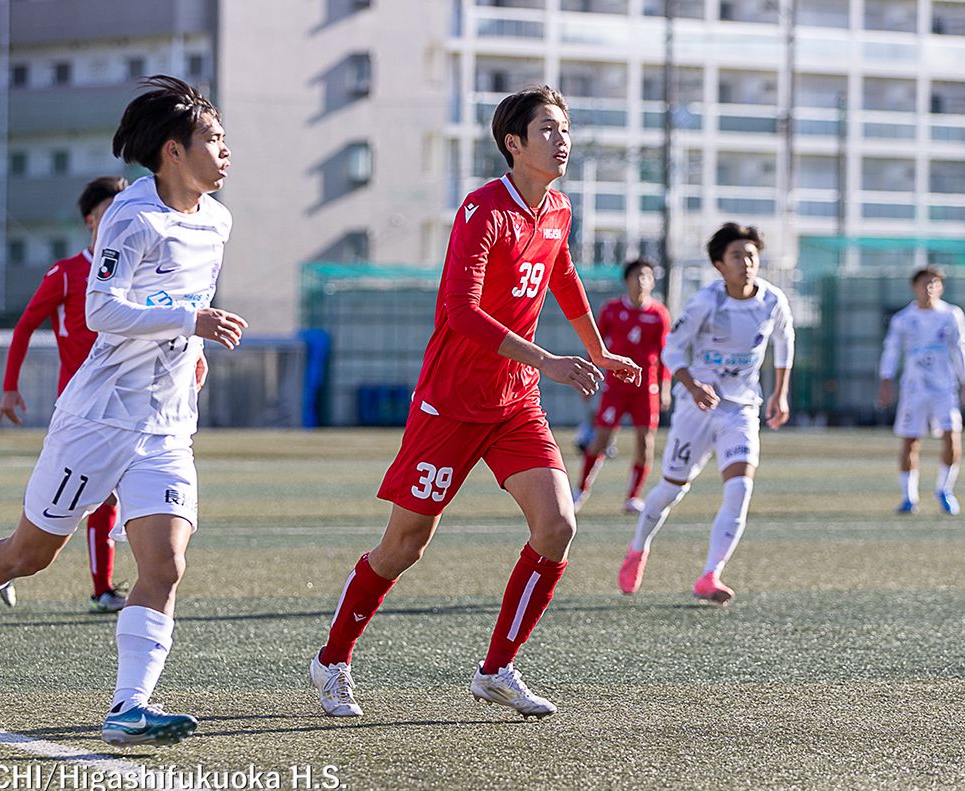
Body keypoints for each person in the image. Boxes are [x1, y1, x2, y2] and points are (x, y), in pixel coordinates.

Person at [0, 75, 248, 747]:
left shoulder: (220, 219)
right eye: (214, 138)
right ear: (174, 151)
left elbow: (183, 300)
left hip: (168, 422)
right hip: (97, 418)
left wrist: (190, 348)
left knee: (166, 565)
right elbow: (101, 309)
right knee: (26, 555)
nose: (226, 150)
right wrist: (189, 319)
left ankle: (127, 708)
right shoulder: (131, 216)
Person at [309, 86, 641, 719]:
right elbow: (462, 312)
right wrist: (550, 359)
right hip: (451, 405)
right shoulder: (482, 210)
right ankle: (334, 658)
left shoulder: (559, 209)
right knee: (404, 545)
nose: (561, 139)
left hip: (515, 403)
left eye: (564, 128)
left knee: (558, 525)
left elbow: (563, 276)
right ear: (513, 143)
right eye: (547, 129)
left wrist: (596, 351)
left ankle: (497, 669)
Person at [617, 222, 793, 606]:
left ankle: (710, 574)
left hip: (741, 409)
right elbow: (673, 351)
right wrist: (693, 385)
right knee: (670, 491)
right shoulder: (705, 303)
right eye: (736, 256)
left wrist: (780, 394)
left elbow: (784, 341)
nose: (746, 262)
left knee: (741, 488)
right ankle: (637, 548)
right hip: (695, 409)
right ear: (719, 264)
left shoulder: (773, 300)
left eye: (751, 255)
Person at [0, 175, 129, 613]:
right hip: (81, 408)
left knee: (115, 497)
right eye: (111, 210)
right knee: (60, 511)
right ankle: (1, 566)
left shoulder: (136, 271)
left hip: (128, 404)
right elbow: (24, 326)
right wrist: (10, 387)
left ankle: (104, 590)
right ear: (92, 220)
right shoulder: (69, 272)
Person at [573, 258, 671, 514]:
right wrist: (587, 373)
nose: (642, 281)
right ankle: (580, 490)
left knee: (645, 443)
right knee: (601, 439)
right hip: (616, 387)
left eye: (647, 276)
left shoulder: (659, 314)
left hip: (645, 389)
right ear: (627, 280)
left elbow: (666, 355)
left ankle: (632, 497)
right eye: (637, 276)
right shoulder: (612, 310)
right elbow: (595, 346)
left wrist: (666, 387)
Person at [877, 266, 965, 515]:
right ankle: (909, 497)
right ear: (915, 286)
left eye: (935, 283)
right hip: (914, 390)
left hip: (945, 389)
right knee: (911, 441)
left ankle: (945, 489)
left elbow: (960, 351)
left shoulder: (951, 315)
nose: (930, 287)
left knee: (951, 436)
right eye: (925, 283)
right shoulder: (903, 319)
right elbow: (891, 351)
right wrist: (885, 382)